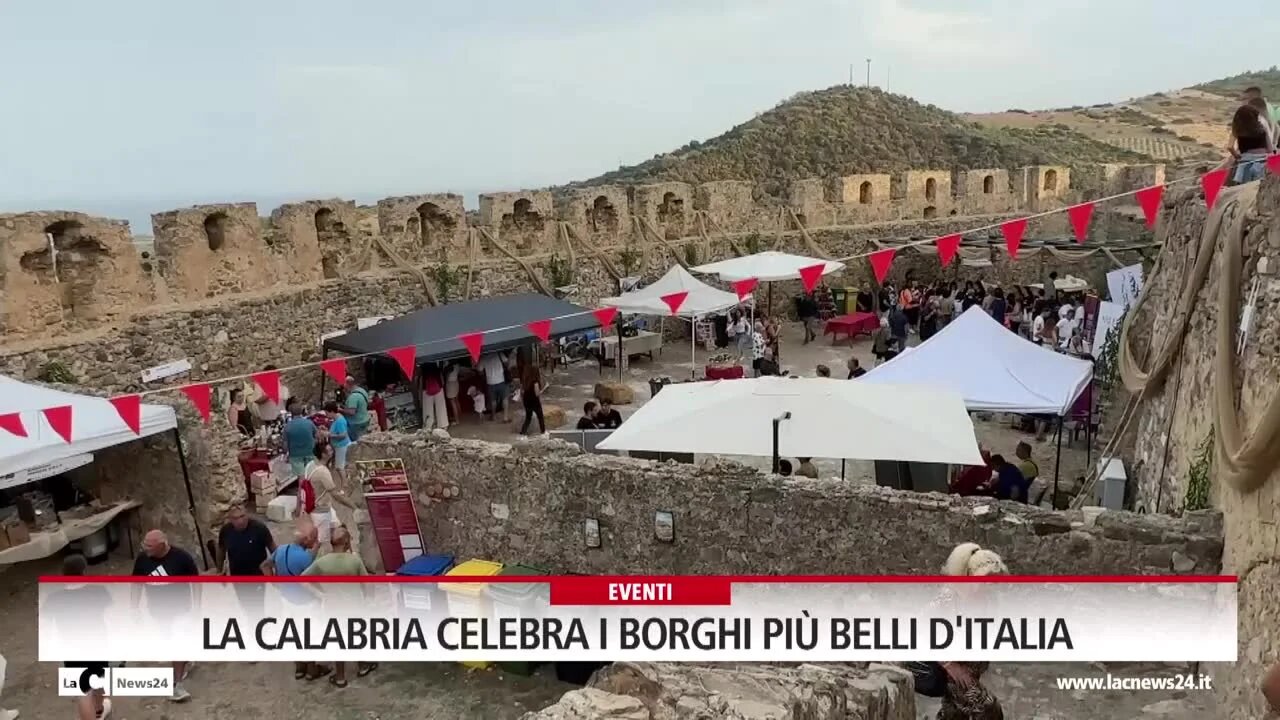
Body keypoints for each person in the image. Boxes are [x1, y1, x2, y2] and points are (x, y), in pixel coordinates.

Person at [933, 543, 1006, 720]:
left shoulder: (989, 600)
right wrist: (951, 665)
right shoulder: (949, 597)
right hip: (948, 667)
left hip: (970, 667)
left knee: (956, 712)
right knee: (989, 708)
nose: (990, 583)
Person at [302, 526, 377, 687]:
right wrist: (369, 600)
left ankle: (341, 676)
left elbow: (303, 579)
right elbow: (367, 583)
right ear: (347, 542)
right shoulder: (354, 561)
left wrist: (320, 595)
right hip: (355, 606)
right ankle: (363, 666)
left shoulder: (323, 562)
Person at [131, 530, 198, 703]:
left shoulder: (182, 558)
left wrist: (197, 606)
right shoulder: (142, 559)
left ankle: (176, 686)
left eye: (149, 545)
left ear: (162, 545)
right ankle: (185, 660)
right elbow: (136, 584)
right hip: (157, 612)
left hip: (181, 610)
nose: (145, 548)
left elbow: (196, 583)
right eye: (145, 544)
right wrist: (134, 607)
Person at [48, 554, 113, 719]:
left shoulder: (54, 598)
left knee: (83, 690)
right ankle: (98, 710)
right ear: (84, 571)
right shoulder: (98, 591)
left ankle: (98, 711)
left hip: (70, 647)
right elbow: (109, 614)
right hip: (97, 642)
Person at [264, 520, 323, 681]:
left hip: (286, 599)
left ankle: (299, 668)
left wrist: (274, 582)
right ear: (306, 540)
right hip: (305, 603)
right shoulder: (305, 558)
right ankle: (312, 669)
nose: (314, 542)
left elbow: (265, 565)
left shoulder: (282, 550)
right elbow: (312, 576)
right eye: (313, 539)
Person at [304, 441, 359, 552]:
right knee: (321, 542)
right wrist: (352, 506)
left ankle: (347, 554)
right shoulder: (323, 472)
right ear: (323, 454)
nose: (332, 452)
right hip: (321, 511)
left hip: (320, 507)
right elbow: (335, 495)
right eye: (329, 451)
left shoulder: (311, 465)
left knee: (341, 531)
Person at [216, 505, 275, 576]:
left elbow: (274, 549)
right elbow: (221, 549)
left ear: (247, 515)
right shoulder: (226, 530)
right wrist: (219, 570)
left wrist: (273, 568)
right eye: (235, 518)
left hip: (258, 575)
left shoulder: (259, 528)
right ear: (230, 519)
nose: (240, 521)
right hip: (237, 576)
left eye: (242, 516)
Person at [1228, 102, 1274, 185]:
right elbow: (1270, 149)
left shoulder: (1238, 130)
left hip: (1246, 163)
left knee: (1243, 187)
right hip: (1262, 162)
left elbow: (1230, 147)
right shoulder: (1262, 128)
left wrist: (1236, 156)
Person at [282, 398, 318, 481]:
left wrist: (285, 454)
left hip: (295, 455)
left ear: (291, 413)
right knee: (309, 474)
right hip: (309, 452)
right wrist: (313, 444)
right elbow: (317, 435)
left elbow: (285, 445)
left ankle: (301, 492)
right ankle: (310, 491)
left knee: (301, 477)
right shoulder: (309, 423)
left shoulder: (288, 426)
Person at [479, 352, 511, 423]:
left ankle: (493, 416)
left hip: (490, 382)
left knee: (493, 401)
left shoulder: (483, 357)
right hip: (502, 380)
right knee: (505, 398)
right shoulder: (499, 353)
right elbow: (507, 363)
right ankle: (505, 418)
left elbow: (480, 370)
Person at [324, 401, 351, 483]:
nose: (326, 415)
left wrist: (330, 435)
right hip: (338, 446)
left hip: (341, 446)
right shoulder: (336, 419)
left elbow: (343, 435)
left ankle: (344, 484)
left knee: (340, 467)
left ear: (332, 412)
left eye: (327, 413)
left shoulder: (339, 421)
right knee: (339, 466)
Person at [1015, 442, 1045, 506]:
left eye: (1018, 450)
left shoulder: (1025, 466)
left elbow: (1013, 480)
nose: (1016, 452)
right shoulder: (1031, 462)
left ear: (1024, 452)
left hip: (1025, 496)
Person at [519, 364, 546, 435]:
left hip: (526, 401)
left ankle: (522, 432)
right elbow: (537, 394)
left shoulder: (524, 381)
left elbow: (521, 392)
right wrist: (543, 389)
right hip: (534, 402)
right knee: (540, 417)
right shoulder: (535, 382)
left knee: (528, 418)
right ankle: (543, 432)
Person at [341, 376, 371, 441]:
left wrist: (340, 410)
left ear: (348, 384)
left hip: (356, 424)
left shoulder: (353, 397)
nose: (344, 387)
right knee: (364, 439)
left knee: (357, 442)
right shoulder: (362, 390)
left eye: (344, 384)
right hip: (364, 419)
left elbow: (352, 412)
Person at [422, 364, 448, 431]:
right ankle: (443, 425)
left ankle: (428, 426)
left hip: (426, 388)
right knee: (441, 407)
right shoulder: (436, 360)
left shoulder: (421, 363)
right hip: (438, 385)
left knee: (427, 409)